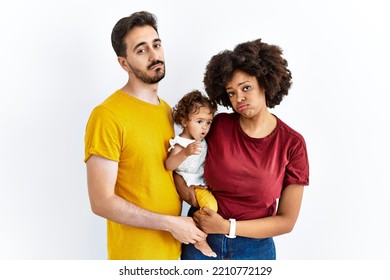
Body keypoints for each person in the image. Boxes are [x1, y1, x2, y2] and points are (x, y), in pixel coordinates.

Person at [84, 11, 206, 260]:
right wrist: (170, 223)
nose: (154, 55)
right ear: (124, 63)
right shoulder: (107, 115)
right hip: (135, 258)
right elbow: (101, 202)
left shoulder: (165, 110)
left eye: (156, 45)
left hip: (173, 252)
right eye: (141, 50)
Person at [174, 38, 310, 260]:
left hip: (255, 250)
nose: (239, 98)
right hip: (201, 239)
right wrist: (185, 191)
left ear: (265, 83)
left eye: (246, 88)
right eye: (231, 93)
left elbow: (287, 221)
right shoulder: (216, 126)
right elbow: (179, 159)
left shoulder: (292, 144)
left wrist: (227, 227)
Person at [165, 90, 218, 258]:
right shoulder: (181, 144)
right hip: (188, 183)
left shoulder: (201, 141)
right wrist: (185, 153)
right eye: (199, 121)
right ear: (184, 122)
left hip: (200, 182)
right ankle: (199, 237)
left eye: (208, 122)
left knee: (212, 206)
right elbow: (169, 165)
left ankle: (197, 226)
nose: (205, 127)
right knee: (211, 207)